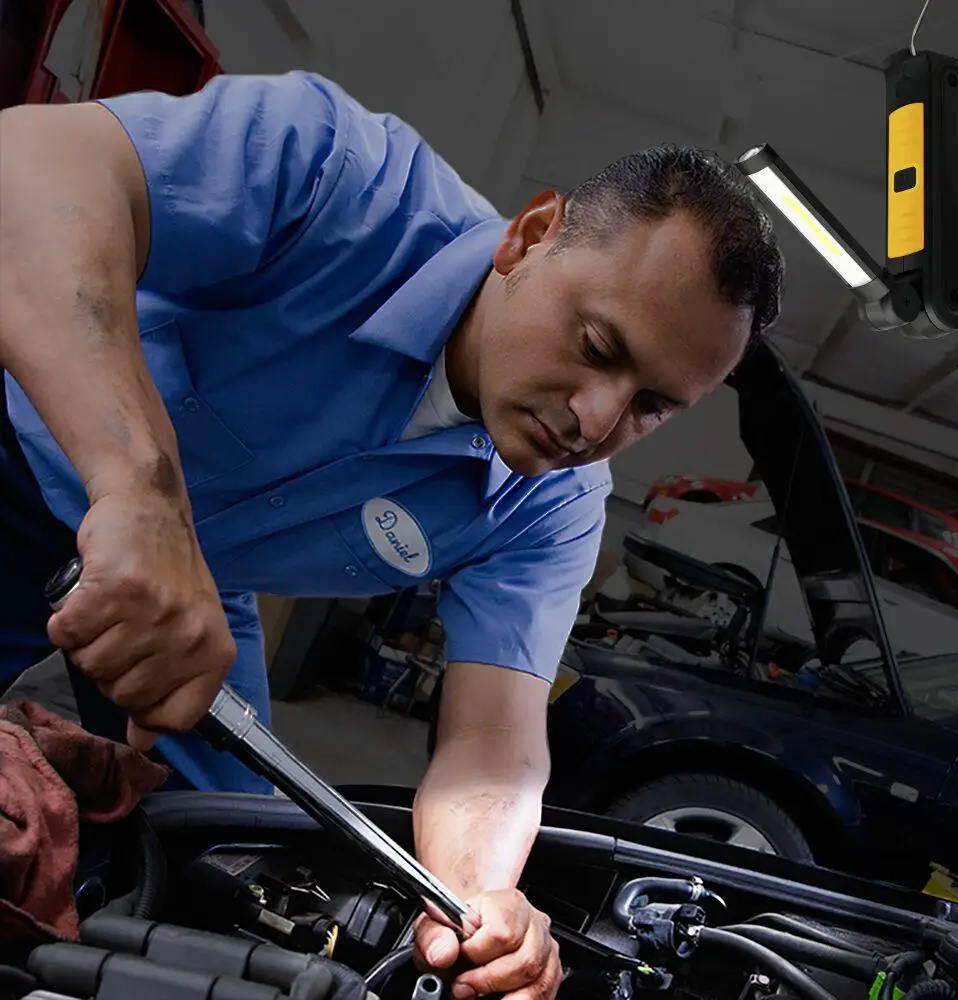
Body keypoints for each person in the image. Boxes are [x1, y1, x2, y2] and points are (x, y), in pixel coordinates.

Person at [0, 70, 783, 999]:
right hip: (21, 456)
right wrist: (140, 488)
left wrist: (481, 896)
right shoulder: (338, 173)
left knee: (232, 862)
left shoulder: (554, 506)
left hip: (201, 579)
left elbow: (492, 742)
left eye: (651, 405)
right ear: (530, 237)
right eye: (598, 348)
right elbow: (28, 164)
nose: (595, 420)